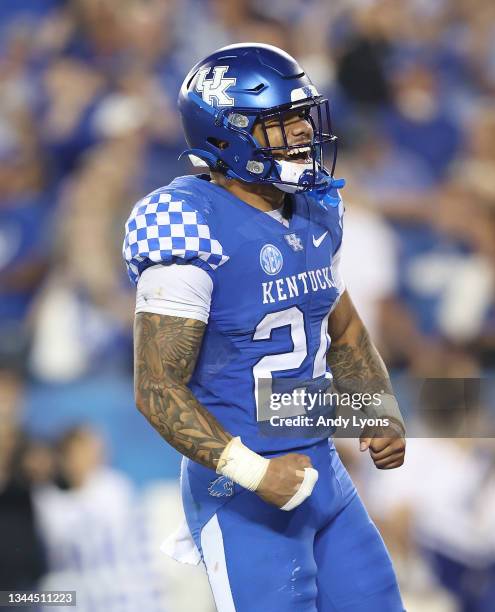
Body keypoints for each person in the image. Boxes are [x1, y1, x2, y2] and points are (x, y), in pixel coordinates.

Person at [123, 43, 406, 611]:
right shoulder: (186, 221)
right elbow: (156, 389)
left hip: (323, 470)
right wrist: (254, 473)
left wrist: (375, 407)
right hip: (244, 488)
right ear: (227, 133)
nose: (304, 131)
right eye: (282, 122)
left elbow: (342, 326)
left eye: (304, 115)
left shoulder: (314, 205)